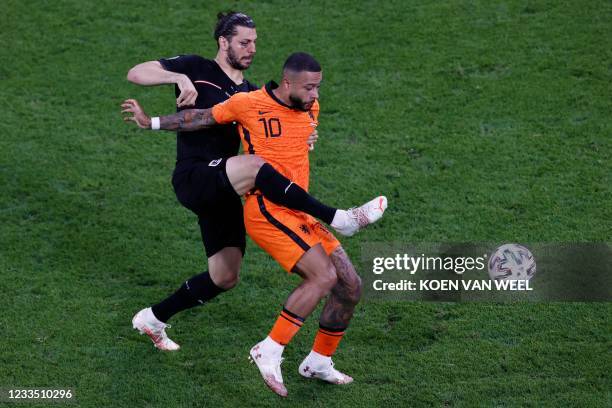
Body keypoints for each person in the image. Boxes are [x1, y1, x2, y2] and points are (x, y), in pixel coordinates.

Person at [122, 52, 388, 397]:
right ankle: (270, 348)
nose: (315, 96)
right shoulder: (247, 103)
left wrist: (307, 138)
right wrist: (152, 122)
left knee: (350, 286)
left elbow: (298, 140)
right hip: (268, 208)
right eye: (309, 88)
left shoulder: (311, 109)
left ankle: (318, 361)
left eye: (318, 88)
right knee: (324, 276)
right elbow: (200, 118)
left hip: (299, 209)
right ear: (287, 82)